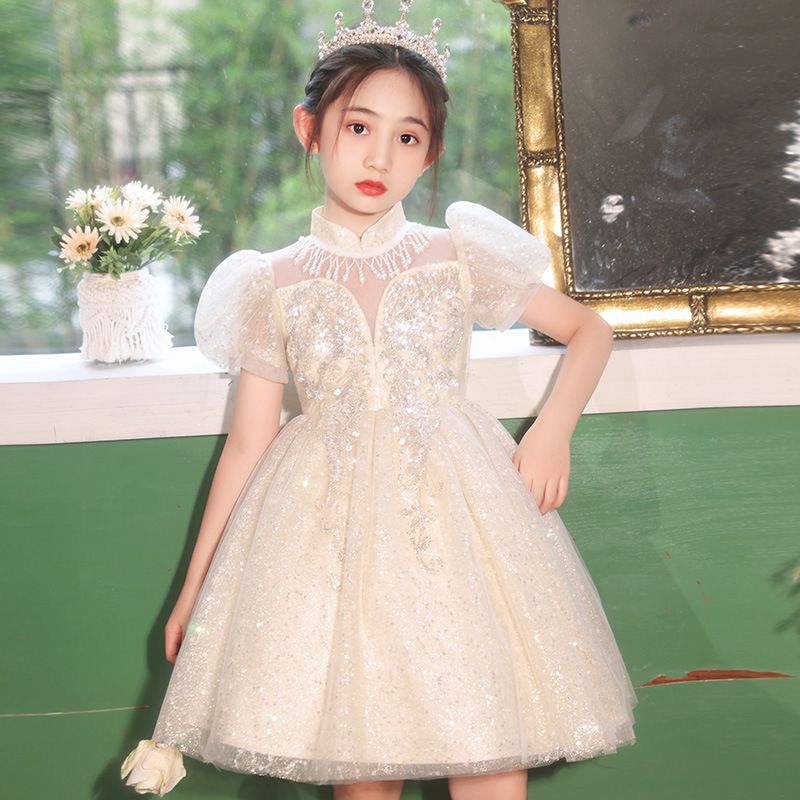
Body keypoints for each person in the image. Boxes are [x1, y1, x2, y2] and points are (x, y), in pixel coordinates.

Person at [122, 2, 636, 797]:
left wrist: (552, 431)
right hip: (329, 540)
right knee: (362, 760)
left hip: (459, 526)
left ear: (430, 154)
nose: (379, 156)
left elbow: (590, 331)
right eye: (359, 127)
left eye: (407, 138)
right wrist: (196, 586)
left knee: (490, 743)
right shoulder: (271, 282)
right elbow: (248, 444)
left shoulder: (455, 253)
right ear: (311, 129)